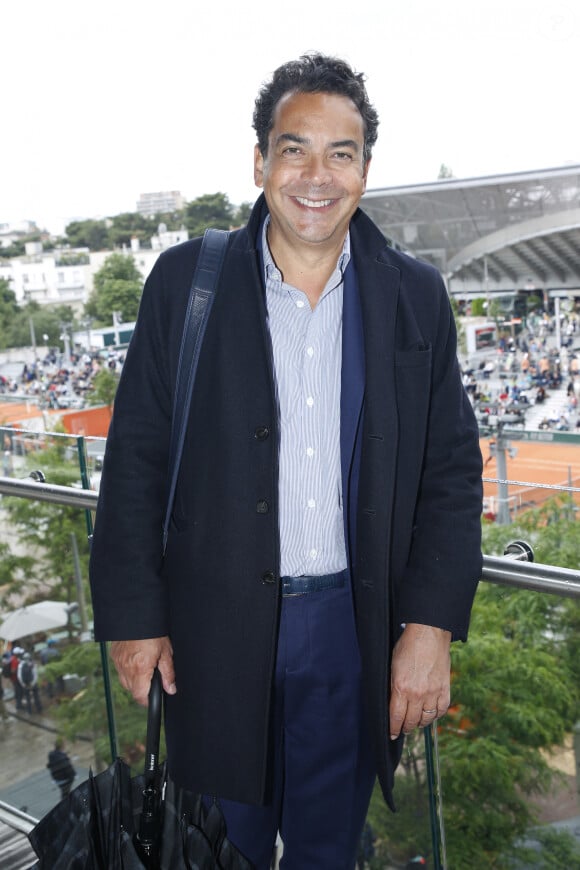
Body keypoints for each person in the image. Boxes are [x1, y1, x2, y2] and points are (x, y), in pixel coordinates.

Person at [90, 53, 483, 869]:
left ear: (366, 170)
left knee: (326, 851)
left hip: (353, 629)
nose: (316, 175)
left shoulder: (413, 292)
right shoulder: (185, 282)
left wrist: (431, 625)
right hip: (210, 634)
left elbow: (450, 468)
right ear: (260, 161)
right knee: (215, 847)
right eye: (294, 148)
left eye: (341, 153)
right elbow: (136, 458)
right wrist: (134, 617)